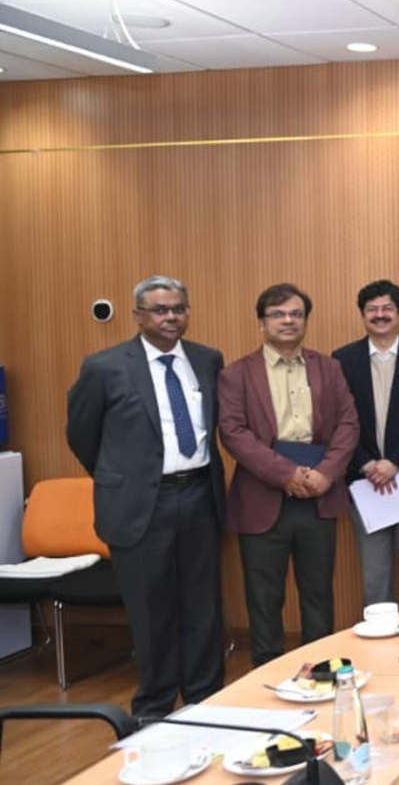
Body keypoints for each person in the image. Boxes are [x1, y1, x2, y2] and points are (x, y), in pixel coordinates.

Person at [65, 275, 227, 717]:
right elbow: (82, 434)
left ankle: (205, 702)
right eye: (160, 309)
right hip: (140, 507)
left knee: (203, 608)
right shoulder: (105, 366)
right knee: (151, 612)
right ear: (137, 315)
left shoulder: (207, 359)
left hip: (199, 498)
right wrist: (124, 477)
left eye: (178, 308)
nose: (171, 317)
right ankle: (154, 711)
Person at [218, 283, 359, 667]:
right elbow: (233, 433)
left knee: (318, 593)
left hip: (319, 495)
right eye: (278, 314)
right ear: (261, 322)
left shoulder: (328, 368)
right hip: (262, 499)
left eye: (296, 314)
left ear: (305, 321)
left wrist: (327, 473)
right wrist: (286, 474)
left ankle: (324, 672)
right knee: (264, 597)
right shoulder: (236, 374)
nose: (287, 321)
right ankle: (266, 675)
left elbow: (348, 422)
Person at [332, 280, 399, 609]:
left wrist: (396, 462)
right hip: (366, 483)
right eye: (372, 309)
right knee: (375, 581)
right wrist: (367, 463)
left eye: (387, 308)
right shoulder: (342, 360)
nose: (380, 315)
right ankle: (381, 652)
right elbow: (338, 420)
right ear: (362, 315)